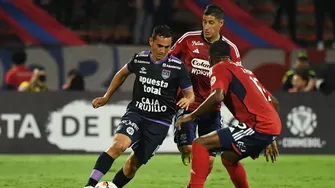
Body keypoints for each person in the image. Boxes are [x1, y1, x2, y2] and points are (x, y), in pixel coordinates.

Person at [84, 25, 194, 188]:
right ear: (151, 42)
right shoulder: (139, 59)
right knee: (118, 145)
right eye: (159, 46)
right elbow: (121, 75)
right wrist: (106, 97)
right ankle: (90, 186)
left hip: (160, 123)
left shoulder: (177, 67)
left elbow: (190, 94)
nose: (163, 51)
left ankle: (114, 186)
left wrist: (187, 100)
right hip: (137, 113)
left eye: (167, 47)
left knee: (132, 165)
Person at [176, 40, 281, 188]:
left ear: (211, 58)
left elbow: (217, 96)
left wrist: (192, 115)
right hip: (269, 126)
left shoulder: (220, 67)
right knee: (229, 158)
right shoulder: (245, 71)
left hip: (258, 126)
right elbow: (275, 102)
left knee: (200, 144)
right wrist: (271, 138)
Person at [170, 4, 240, 174]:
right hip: (188, 104)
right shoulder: (188, 39)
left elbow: (237, 79)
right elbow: (168, 61)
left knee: (208, 162)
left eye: (211, 23)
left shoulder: (230, 49)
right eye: (204, 22)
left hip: (212, 108)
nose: (206, 27)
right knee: (187, 148)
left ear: (221, 24)